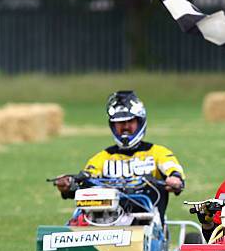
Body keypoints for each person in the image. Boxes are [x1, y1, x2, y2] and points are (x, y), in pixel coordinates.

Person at [55, 90, 185, 223]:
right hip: (105, 222)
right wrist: (67, 185)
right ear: (113, 125)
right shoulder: (102, 157)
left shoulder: (158, 152)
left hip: (147, 222)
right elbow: (87, 178)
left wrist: (175, 178)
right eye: (120, 123)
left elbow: (173, 169)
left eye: (130, 121)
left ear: (140, 122)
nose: (126, 127)